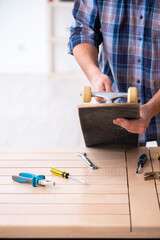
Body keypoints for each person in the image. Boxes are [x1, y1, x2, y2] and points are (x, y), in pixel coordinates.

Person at [68, 0, 160, 146]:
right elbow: (82, 32)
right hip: (117, 115)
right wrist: (95, 75)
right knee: (116, 168)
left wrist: (151, 108)